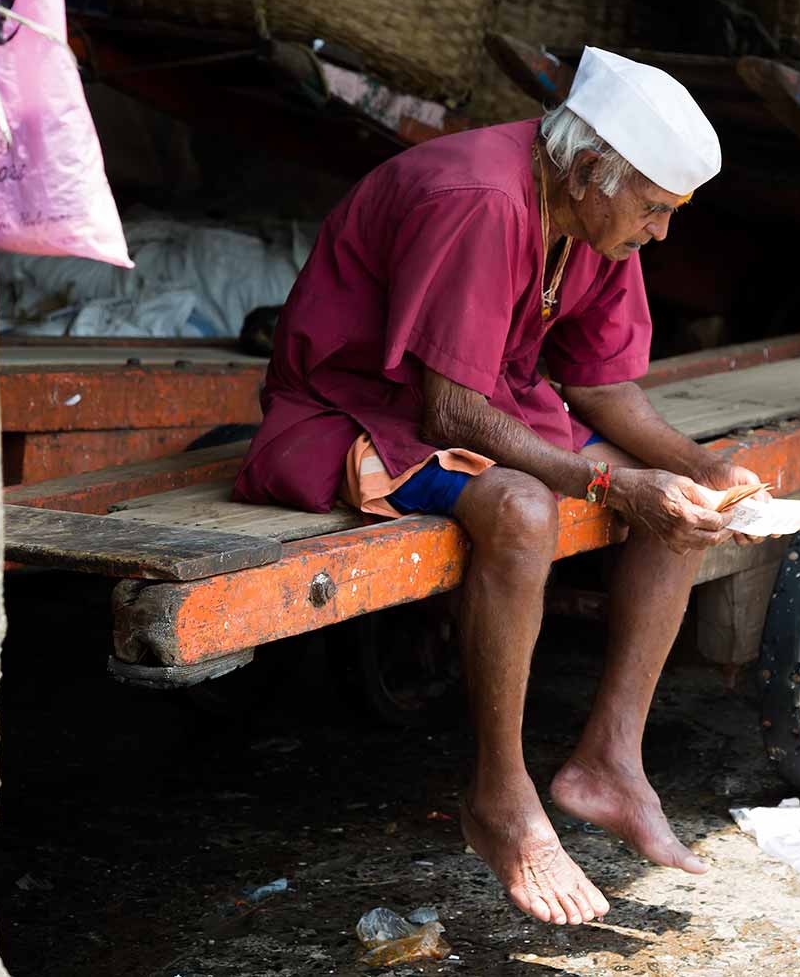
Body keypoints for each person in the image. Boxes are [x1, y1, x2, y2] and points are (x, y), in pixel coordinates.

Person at [233, 48, 769, 925]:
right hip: (357, 408)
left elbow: (599, 385)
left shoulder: (596, 213)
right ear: (594, 170)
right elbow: (448, 410)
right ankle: (500, 796)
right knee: (523, 510)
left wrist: (699, 467)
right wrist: (606, 481)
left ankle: (611, 761)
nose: (662, 233)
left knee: (683, 503)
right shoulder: (484, 199)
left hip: (486, 401)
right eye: (655, 209)